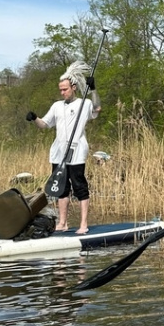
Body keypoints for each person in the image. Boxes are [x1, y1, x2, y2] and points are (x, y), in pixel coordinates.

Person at [26, 63, 101, 234]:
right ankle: (63, 223)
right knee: (61, 188)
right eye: (60, 90)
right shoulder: (56, 106)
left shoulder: (85, 103)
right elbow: (44, 125)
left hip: (76, 152)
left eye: (65, 89)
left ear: (73, 88)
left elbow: (97, 109)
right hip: (59, 153)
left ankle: (83, 224)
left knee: (79, 186)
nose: (62, 92)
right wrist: (34, 118)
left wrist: (94, 90)